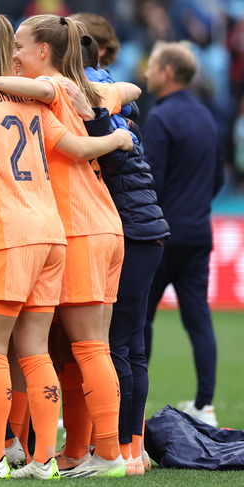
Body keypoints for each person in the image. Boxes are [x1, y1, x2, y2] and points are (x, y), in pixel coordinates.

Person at [0, 14, 133, 479]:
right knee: (38, 349)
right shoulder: (37, 97)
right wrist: (118, 134)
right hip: (53, 232)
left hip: (15, 230)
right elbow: (81, 133)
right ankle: (44, 457)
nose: (16, 55)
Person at [71, 14, 171, 475]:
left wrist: (100, 123)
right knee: (130, 344)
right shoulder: (111, 92)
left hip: (130, 229)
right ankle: (133, 449)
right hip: (144, 228)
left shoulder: (94, 100)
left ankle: (123, 452)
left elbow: (108, 155)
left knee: (118, 344)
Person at [143, 41, 224, 427]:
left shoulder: (160, 117)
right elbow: (218, 177)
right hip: (198, 233)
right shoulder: (207, 115)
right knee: (198, 319)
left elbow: (152, 182)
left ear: (168, 72)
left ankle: (132, 404)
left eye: (152, 65)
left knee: (140, 318)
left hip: (161, 235)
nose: (146, 72)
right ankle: (205, 405)